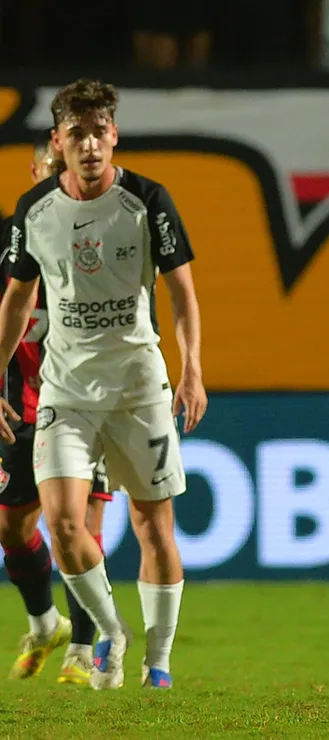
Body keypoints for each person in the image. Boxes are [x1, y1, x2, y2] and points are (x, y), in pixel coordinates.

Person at [0, 79, 207, 690]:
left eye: (100, 133)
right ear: (59, 142)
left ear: (113, 136)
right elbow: (16, 301)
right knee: (63, 525)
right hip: (65, 392)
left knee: (153, 526)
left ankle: (158, 663)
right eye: (77, 135)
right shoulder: (33, 212)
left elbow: (183, 292)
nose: (90, 145)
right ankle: (110, 631)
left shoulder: (148, 200)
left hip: (139, 388)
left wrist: (192, 368)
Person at [0, 130, 113, 685]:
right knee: (13, 527)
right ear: (35, 170)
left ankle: (85, 651)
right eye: (48, 166)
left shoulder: (109, 236)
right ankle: (47, 624)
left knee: (79, 524)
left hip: (89, 403)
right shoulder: (10, 240)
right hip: (21, 409)